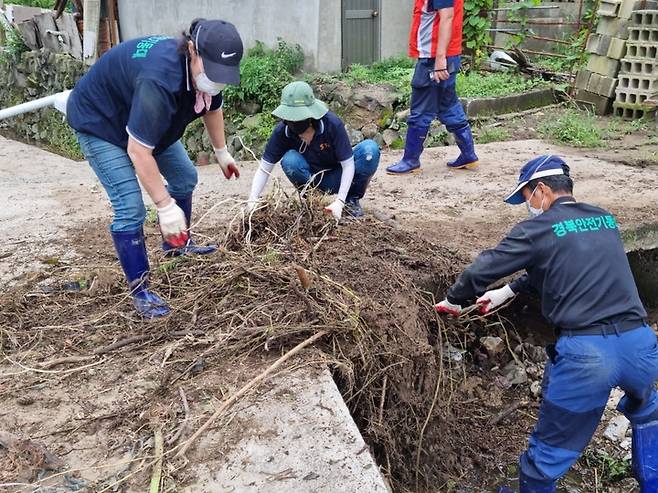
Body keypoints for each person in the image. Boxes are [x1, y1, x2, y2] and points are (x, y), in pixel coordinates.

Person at [435, 155, 658, 493]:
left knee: (546, 457)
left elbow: (481, 270)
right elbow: (565, 262)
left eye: (525, 197)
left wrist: (454, 300)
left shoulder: (536, 229)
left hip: (588, 356)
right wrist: (507, 291)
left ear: (540, 190)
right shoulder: (604, 220)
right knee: (648, 416)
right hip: (640, 345)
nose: (527, 206)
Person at [66, 19, 243, 319]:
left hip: (144, 120)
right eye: (212, 73)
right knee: (131, 207)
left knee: (185, 177)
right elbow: (138, 151)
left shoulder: (207, 74)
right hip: (101, 122)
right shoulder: (160, 79)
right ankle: (140, 290)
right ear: (191, 50)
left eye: (222, 76)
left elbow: (213, 107)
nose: (217, 81)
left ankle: (177, 246)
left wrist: (222, 152)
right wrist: (163, 206)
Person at [247, 81, 380, 219]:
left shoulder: (332, 124)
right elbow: (264, 168)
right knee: (289, 160)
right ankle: (314, 202)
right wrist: (253, 198)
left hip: (338, 175)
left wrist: (339, 201)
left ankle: (350, 200)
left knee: (369, 150)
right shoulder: (283, 132)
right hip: (311, 179)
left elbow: (347, 164)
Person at [386, 0, 478, 175]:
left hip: (434, 58)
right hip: (445, 56)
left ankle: (410, 160)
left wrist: (440, 59)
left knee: (420, 109)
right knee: (448, 105)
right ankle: (469, 155)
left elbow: (447, 17)